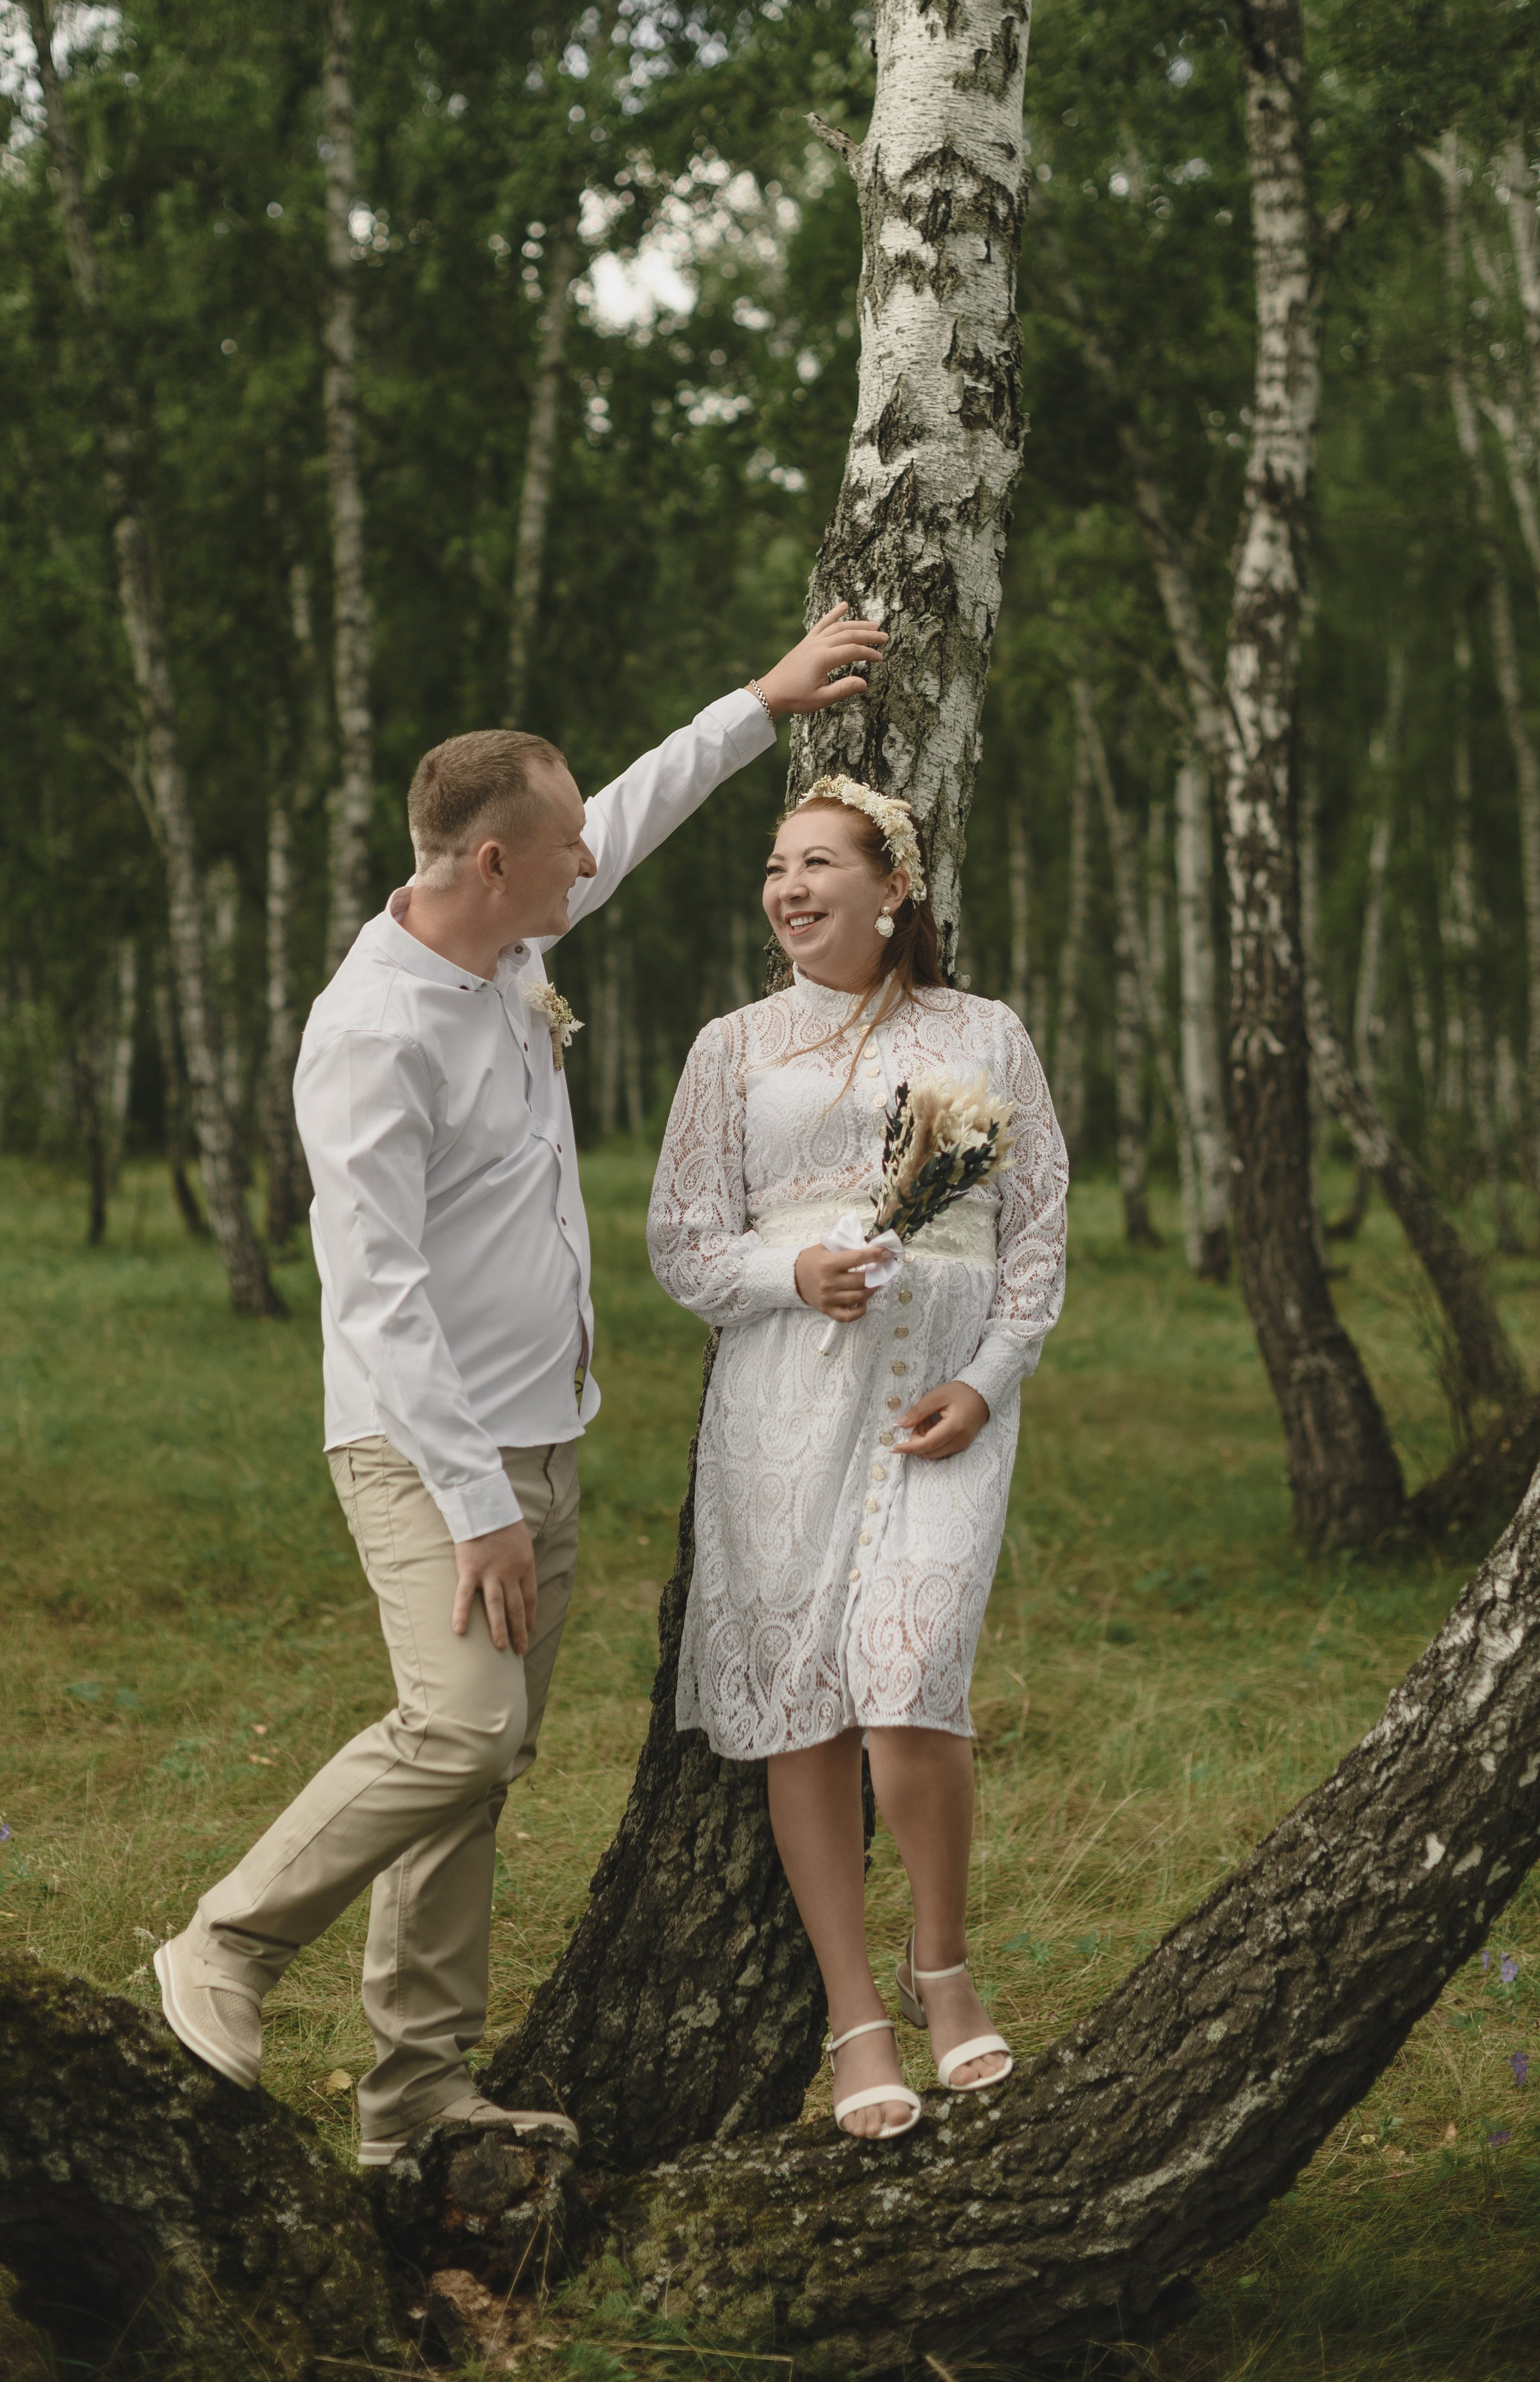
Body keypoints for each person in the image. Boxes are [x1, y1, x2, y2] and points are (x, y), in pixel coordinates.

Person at [154, 608, 884, 2163]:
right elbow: (377, 1298)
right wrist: (479, 1508)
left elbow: (625, 808)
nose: (584, 870)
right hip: (429, 1449)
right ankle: (223, 1942)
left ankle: (413, 2093)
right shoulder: (370, 1033)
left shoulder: (510, 939)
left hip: (542, 1436)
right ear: (490, 862)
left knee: (472, 1780)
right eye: (557, 855)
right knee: (464, 1729)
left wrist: (759, 697)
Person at [646, 776, 1068, 2140]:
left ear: (895, 888)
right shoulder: (730, 1047)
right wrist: (792, 1266)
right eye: (775, 865)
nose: (787, 886)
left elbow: (1038, 1234)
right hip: (780, 1409)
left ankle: (940, 1965)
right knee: (806, 1707)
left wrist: (985, 1382)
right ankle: (853, 2016)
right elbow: (683, 1243)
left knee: (908, 1677)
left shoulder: (981, 1032)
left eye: (818, 861)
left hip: (931, 1408)